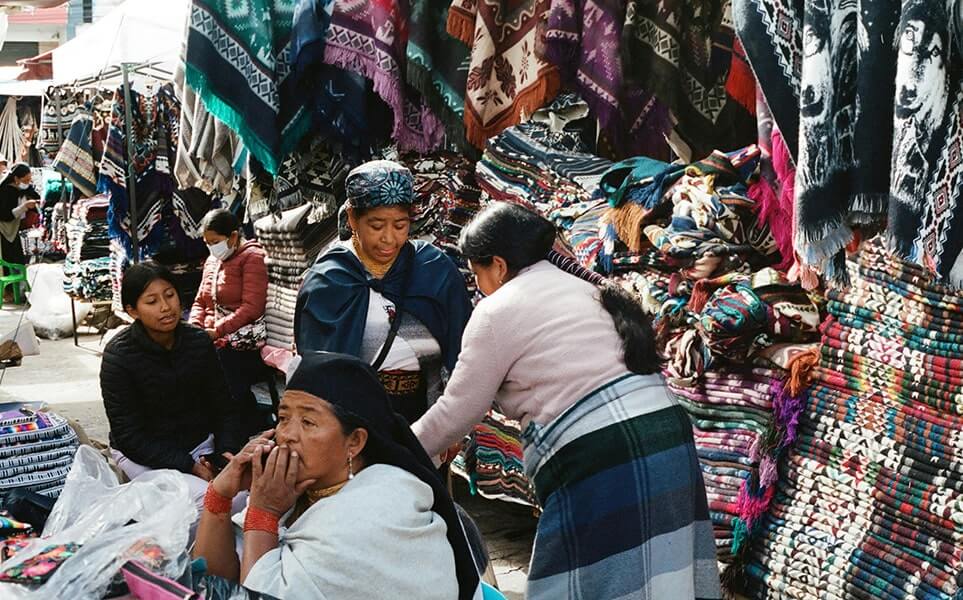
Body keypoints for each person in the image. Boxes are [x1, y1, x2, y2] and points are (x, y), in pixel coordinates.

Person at [412, 203, 722, 600]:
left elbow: (457, 412)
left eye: (477, 274)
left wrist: (394, 448)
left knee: (583, 580)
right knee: (663, 574)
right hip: (669, 438)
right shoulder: (589, 289)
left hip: (604, 454)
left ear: (500, 265)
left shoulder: (495, 311)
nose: (478, 286)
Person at [193, 352, 481, 600]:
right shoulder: (294, 489)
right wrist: (219, 495)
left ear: (354, 442)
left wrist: (262, 513)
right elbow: (214, 584)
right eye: (283, 418)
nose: (287, 435)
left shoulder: (381, 506)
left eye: (308, 421)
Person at [295, 160, 472, 424]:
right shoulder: (331, 278)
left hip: (426, 414)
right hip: (351, 418)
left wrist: (455, 421)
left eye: (400, 226)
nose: (389, 238)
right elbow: (316, 366)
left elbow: (463, 348)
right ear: (353, 218)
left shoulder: (433, 269)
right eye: (376, 226)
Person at [101, 262, 244, 508]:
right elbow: (129, 435)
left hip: (199, 444)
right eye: (152, 301)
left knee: (243, 495)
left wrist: (222, 456)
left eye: (169, 295)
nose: (166, 307)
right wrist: (189, 466)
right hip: (144, 454)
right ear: (132, 310)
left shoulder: (198, 342)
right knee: (205, 503)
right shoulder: (119, 357)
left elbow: (224, 408)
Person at [190, 208, 270, 437]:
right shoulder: (212, 261)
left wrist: (217, 331)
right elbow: (201, 301)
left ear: (233, 237)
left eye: (215, 242)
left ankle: (238, 427)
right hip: (215, 335)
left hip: (244, 339)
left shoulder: (252, 258)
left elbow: (252, 308)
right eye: (207, 243)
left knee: (223, 367)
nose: (211, 247)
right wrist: (196, 325)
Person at [0, 164, 39, 277]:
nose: (27, 183)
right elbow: (5, 215)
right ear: (16, 178)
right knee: (9, 261)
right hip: (4, 230)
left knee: (17, 260)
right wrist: (24, 207)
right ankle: (11, 289)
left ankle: (17, 287)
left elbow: (36, 198)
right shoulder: (5, 191)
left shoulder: (25, 189)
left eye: (29, 180)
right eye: (25, 180)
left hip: (14, 229)